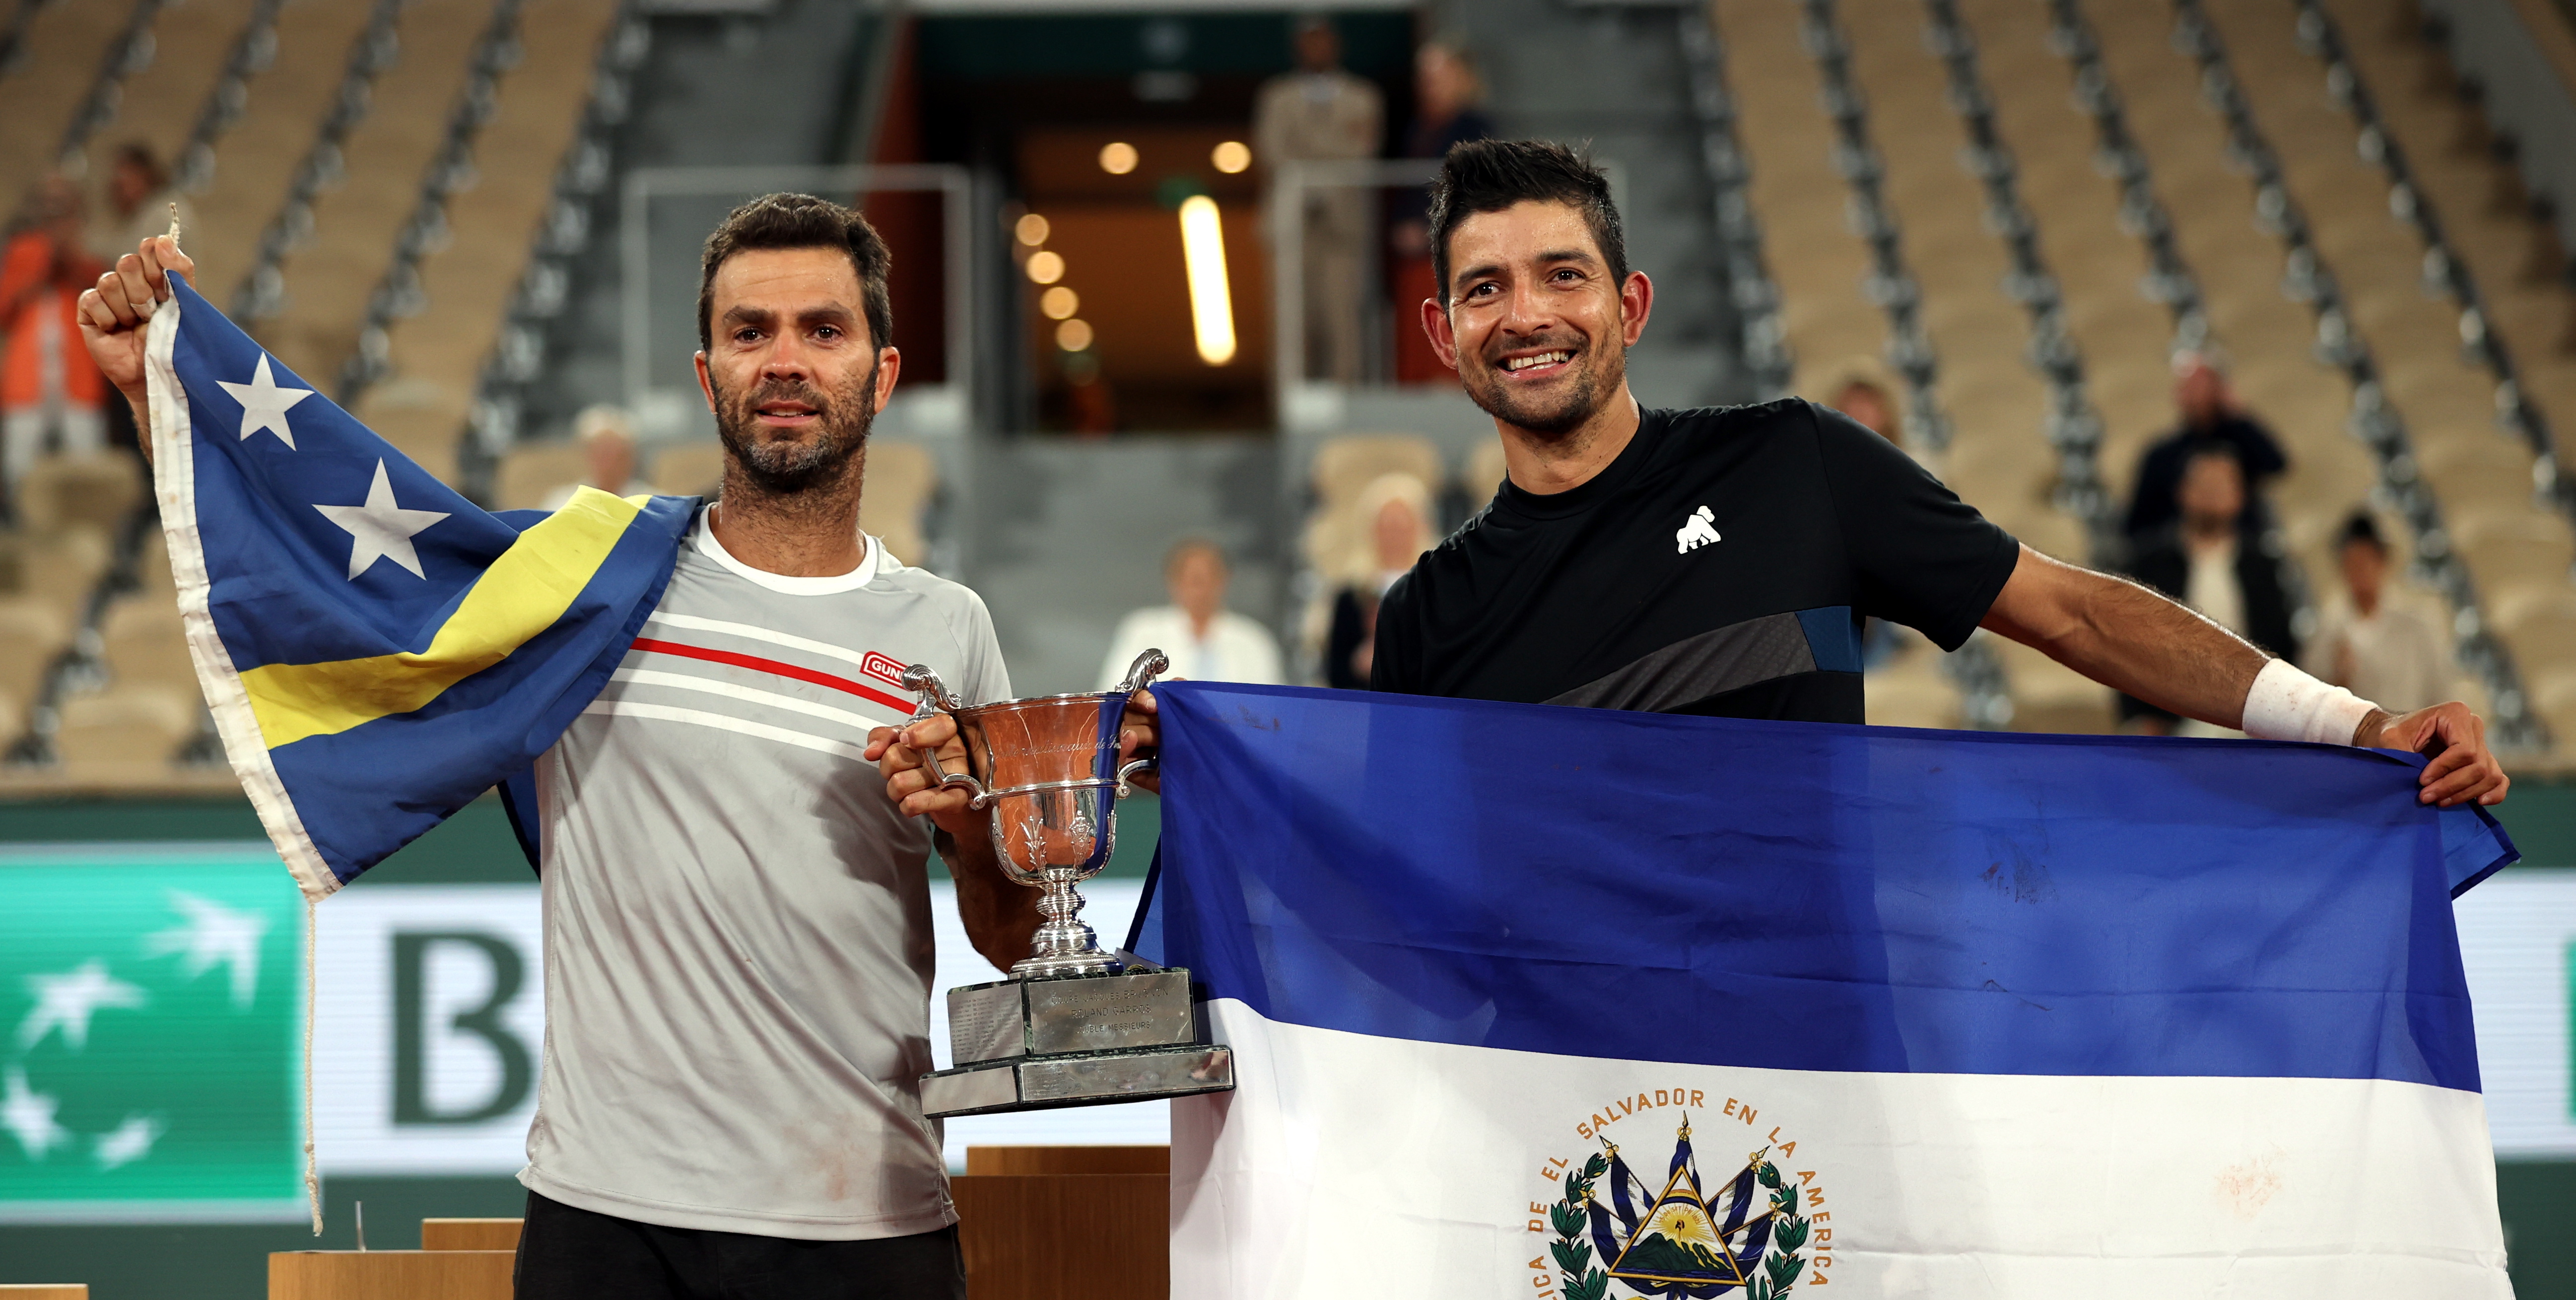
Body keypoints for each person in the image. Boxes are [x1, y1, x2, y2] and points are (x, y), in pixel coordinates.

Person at [77, 194, 1032, 1300]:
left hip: (868, 1220)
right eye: (748, 331)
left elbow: (1012, 935)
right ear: (704, 375)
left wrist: (967, 834)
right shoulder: (583, 585)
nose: (784, 358)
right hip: (611, 1222)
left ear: (879, 373)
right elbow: (334, 559)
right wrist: (157, 390)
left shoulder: (949, 631)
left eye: (821, 330)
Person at [1031, 139, 2504, 811]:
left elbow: (2072, 618)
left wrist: (2348, 722)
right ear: (1440, 336)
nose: (1524, 313)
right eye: (1482, 290)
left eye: (1559, 275)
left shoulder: (1794, 464)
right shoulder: (1423, 617)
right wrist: (1208, 753)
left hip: (1814, 1055)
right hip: (1560, 1106)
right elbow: (1397, 853)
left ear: (1631, 306)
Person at [2119, 443, 2297, 734]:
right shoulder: (2150, 564)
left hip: (2251, 723)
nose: (2213, 493)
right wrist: (2140, 717)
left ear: (2240, 497)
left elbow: (2281, 643)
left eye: (2223, 484)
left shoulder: (2262, 567)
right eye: (2205, 484)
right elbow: (2125, 644)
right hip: (2172, 725)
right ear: (2182, 491)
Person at [1255, 15, 1383, 386]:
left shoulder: (1363, 96)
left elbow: (1361, 153)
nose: (1316, 49)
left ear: (1336, 44)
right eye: (1309, 41)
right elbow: (1273, 152)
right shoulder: (1275, 97)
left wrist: (1310, 163)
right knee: (1290, 323)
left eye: (1323, 40)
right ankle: (1291, 404)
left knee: (1342, 319)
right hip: (1291, 226)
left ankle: (1346, 405)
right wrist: (1328, 157)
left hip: (1343, 226)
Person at [1390, 38, 1494, 384]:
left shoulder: (1475, 127)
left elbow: (1477, 190)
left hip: (1453, 248)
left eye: (1438, 75)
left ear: (1460, 77)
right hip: (1415, 252)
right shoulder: (1416, 129)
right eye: (1424, 76)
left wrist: (1429, 227)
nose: (1429, 84)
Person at [2, 176, 108, 497]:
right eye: (48, 204)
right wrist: (42, 262)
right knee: (19, 464)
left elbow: (102, 304)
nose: (54, 212)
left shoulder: (91, 252)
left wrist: (69, 257)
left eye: (62, 205)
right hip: (28, 376)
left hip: (78, 376)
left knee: (88, 461)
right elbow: (6, 310)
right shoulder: (20, 252)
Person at [2121, 350, 2288, 548]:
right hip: (2179, 555)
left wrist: (2239, 415)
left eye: (2204, 385)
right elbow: (2138, 522)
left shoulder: (2242, 442)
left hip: (2241, 549)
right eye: (2190, 387)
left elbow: (2277, 464)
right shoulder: (2161, 455)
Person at [2305, 509, 2454, 717]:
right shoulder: (2327, 632)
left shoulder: (2417, 625)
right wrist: (2339, 677)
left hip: (2410, 741)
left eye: (2367, 560)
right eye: (2352, 563)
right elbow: (2311, 705)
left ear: (2382, 562)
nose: (2360, 571)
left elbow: (2441, 693)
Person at [1098, 538, 1284, 689]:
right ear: (1173, 581)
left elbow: (1274, 710)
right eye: (1193, 580)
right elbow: (1115, 694)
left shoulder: (1253, 640)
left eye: (1209, 578)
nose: (1201, 589)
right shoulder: (1142, 631)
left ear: (1225, 579)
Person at [1324, 472, 1435, 689]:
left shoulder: (1438, 588)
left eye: (1402, 526)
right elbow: (1335, 670)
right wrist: (1358, 663)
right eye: (1387, 526)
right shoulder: (1353, 595)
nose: (1395, 536)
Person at [84, 143, 189, 267]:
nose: (115, 194)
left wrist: (80, 249)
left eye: (121, 185)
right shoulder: (147, 211)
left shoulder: (163, 213)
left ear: (143, 176)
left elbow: (128, 260)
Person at [540, 403, 652, 508]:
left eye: (613, 451)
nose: (607, 461)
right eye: (599, 450)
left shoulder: (652, 505)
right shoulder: (562, 504)